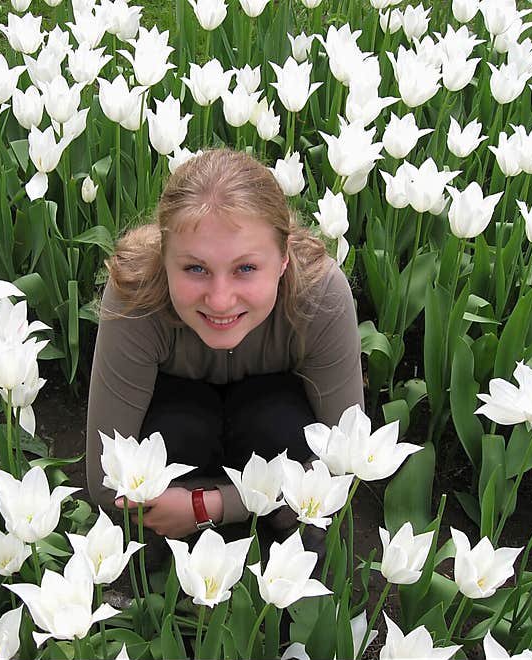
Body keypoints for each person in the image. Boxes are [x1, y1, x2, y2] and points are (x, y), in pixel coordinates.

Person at [84, 147, 364, 563]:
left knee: (276, 422)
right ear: (164, 259)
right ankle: (173, 576)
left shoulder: (319, 294)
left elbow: (346, 461)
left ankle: (283, 562)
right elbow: (106, 481)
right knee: (179, 428)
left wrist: (207, 506)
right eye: (195, 268)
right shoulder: (136, 293)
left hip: (267, 441)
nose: (219, 300)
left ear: (283, 259)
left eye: (245, 268)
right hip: (180, 451)